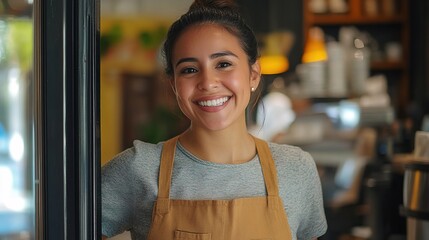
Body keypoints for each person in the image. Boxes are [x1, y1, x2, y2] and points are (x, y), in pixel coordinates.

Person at [102, 0, 327, 239]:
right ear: (174, 84)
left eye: (223, 64)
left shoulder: (296, 169)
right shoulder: (139, 169)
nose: (208, 83)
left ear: (253, 74)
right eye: (189, 69)